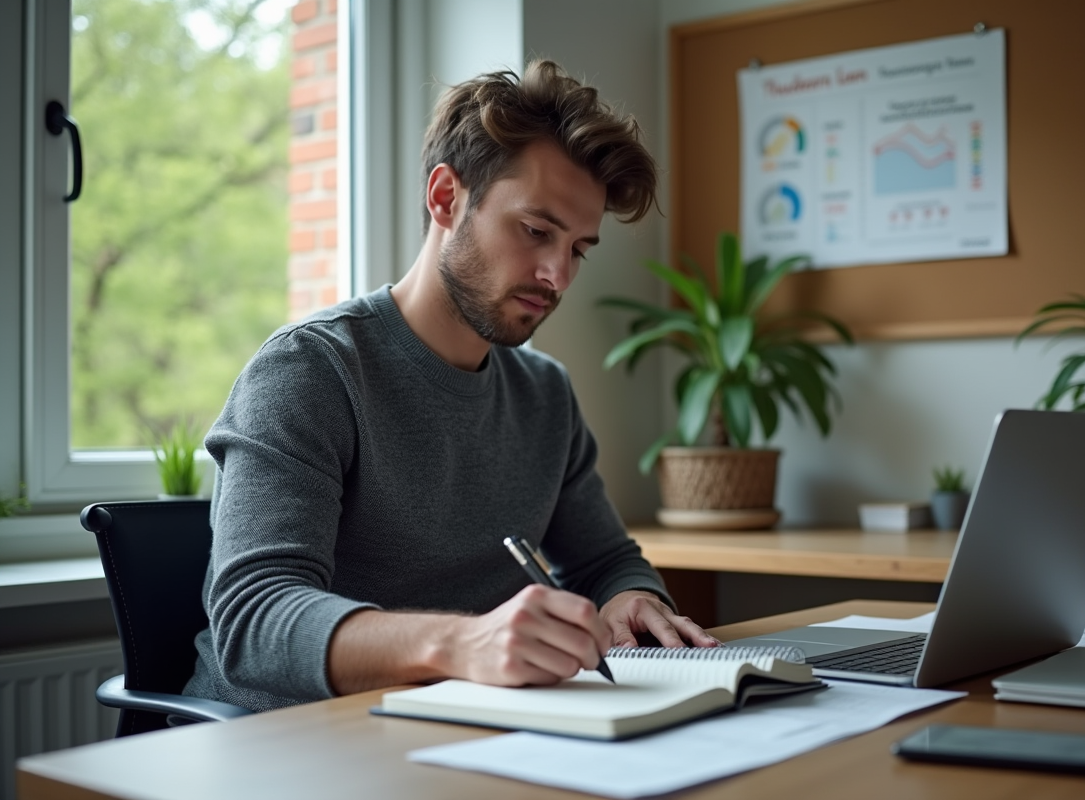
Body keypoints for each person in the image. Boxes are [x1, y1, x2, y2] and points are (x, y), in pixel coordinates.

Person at [184, 60, 719, 712]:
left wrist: (632, 598)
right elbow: (254, 623)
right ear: (445, 198)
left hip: (455, 729)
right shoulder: (308, 372)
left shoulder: (544, 395)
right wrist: (462, 644)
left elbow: (606, 559)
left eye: (578, 248)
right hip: (282, 742)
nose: (557, 275)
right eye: (535, 230)